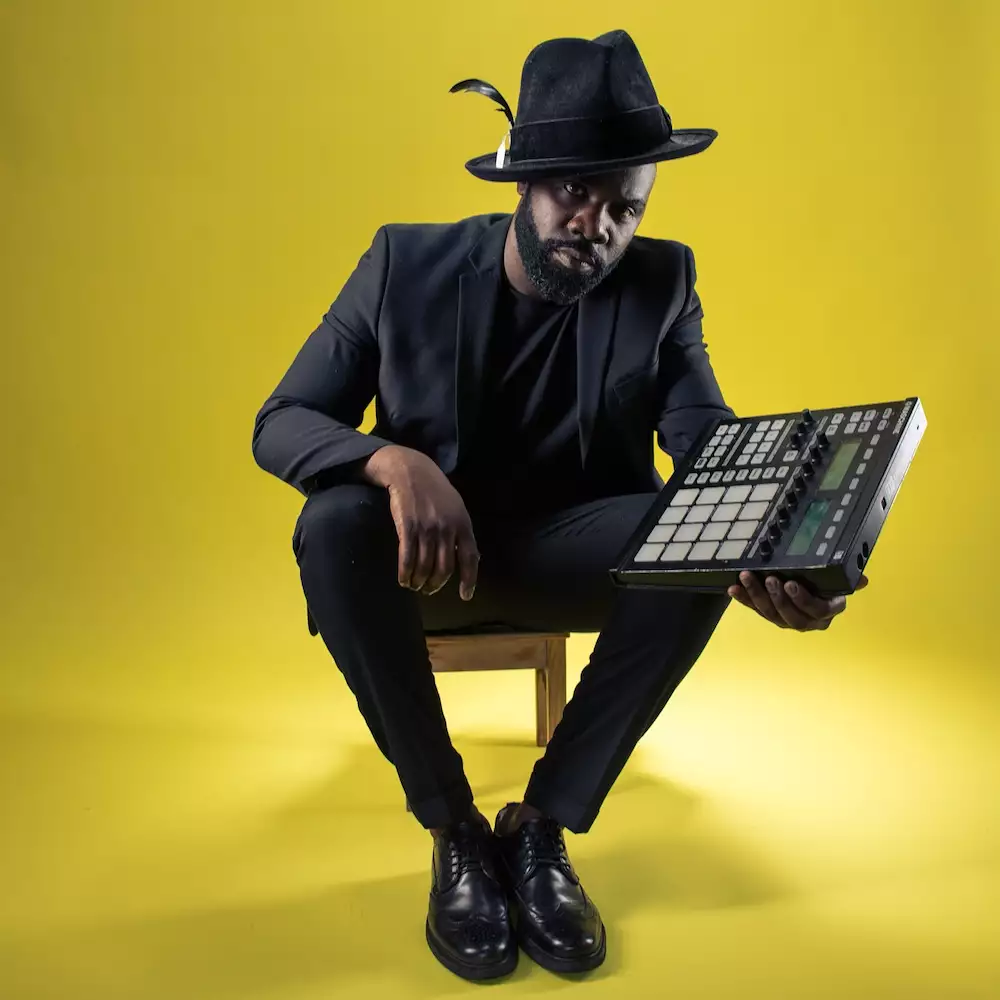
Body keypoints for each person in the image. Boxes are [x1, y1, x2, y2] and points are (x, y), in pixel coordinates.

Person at [251, 29, 865, 981]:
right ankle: (455, 830)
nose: (598, 225)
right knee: (331, 524)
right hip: (425, 565)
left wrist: (786, 552)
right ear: (524, 185)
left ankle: (541, 826)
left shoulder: (663, 281)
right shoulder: (404, 263)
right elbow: (283, 419)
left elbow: (708, 442)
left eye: (625, 205)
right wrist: (393, 462)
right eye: (576, 191)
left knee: (701, 538)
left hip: (575, 556)